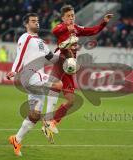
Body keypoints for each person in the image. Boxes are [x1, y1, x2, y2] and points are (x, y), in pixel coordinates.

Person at [44, 5, 113, 134]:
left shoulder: (76, 29)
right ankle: (47, 118)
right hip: (61, 60)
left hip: (70, 66)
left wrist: (104, 22)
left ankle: (52, 121)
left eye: (72, 15)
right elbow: (54, 31)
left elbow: (93, 30)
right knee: (55, 87)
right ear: (63, 18)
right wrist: (67, 27)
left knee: (71, 100)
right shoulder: (61, 28)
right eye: (68, 16)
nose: (71, 18)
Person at [6, 13, 62, 156]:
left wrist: (63, 49)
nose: (36, 23)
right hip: (30, 75)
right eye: (32, 21)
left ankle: (16, 139)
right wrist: (14, 70)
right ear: (26, 24)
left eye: (37, 21)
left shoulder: (41, 42)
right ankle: (49, 121)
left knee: (35, 115)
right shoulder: (26, 37)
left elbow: (51, 58)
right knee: (57, 84)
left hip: (37, 79)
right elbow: (20, 55)